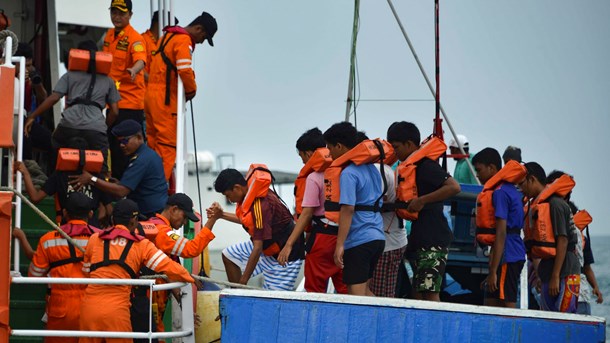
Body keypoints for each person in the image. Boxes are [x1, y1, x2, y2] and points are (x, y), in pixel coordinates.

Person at [79, 199, 194, 343]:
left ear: (113, 219)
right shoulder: (141, 245)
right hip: (117, 310)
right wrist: (189, 278)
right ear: (134, 221)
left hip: (89, 308)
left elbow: (86, 272)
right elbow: (167, 266)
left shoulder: (95, 239)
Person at [387, 121, 460, 301]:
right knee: (418, 291)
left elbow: (454, 187)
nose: (394, 152)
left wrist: (421, 201)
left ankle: (434, 327)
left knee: (430, 290)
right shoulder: (408, 167)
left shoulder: (426, 166)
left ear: (410, 144)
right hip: (419, 238)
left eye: (396, 147)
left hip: (433, 238)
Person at [24, 40, 120, 174]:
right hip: (96, 128)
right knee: (102, 167)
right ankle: (100, 189)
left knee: (55, 149)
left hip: (69, 125)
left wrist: (32, 116)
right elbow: (115, 112)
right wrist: (102, 126)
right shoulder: (108, 80)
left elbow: (53, 98)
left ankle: (53, 185)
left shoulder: (70, 75)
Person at [132, 193, 217, 337]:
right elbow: (191, 249)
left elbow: (167, 272)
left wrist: (184, 305)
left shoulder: (153, 226)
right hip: (149, 297)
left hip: (149, 297)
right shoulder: (162, 232)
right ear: (174, 209)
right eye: (184, 217)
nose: (184, 222)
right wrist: (212, 221)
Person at [145, 11, 217, 180]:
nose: (201, 42)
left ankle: (148, 184)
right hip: (165, 101)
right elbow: (184, 70)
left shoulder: (166, 37)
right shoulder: (184, 40)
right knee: (167, 147)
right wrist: (192, 90)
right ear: (199, 29)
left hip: (150, 97)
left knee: (152, 145)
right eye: (204, 37)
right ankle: (157, 188)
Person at [277, 128, 348, 294]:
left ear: (309, 154)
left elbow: (307, 213)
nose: (303, 162)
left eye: (302, 156)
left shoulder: (314, 177)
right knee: (345, 289)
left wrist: (289, 244)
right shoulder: (345, 172)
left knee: (314, 290)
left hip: (323, 238)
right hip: (345, 236)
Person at [211, 168, 304, 290]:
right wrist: (221, 215)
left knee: (271, 300)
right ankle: (238, 297)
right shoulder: (249, 194)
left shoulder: (260, 205)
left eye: (228, 195)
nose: (230, 200)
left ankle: (238, 293)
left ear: (237, 188)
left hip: (284, 256)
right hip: (267, 248)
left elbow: (257, 246)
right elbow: (248, 221)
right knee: (229, 255)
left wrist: (242, 282)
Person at [321, 122, 385, 296]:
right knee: (364, 291)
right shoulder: (372, 169)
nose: (329, 153)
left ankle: (370, 323)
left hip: (359, 240)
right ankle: (379, 321)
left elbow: (348, 209)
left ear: (339, 146)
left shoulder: (349, 173)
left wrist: (340, 245)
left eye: (330, 148)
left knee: (356, 298)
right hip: (377, 237)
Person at [28, 192, 101, 343]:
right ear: (91, 213)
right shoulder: (102, 239)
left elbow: (34, 275)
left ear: (65, 213)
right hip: (93, 306)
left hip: (59, 309)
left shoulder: (48, 239)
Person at [69, 120, 168, 218]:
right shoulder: (147, 154)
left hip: (150, 215)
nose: (121, 145)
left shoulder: (141, 160)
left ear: (138, 137)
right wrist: (120, 183)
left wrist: (91, 179)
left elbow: (121, 192)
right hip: (153, 210)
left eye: (125, 141)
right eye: (120, 142)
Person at [520, 162, 580, 313]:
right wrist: (542, 276)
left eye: (522, 184)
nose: (521, 189)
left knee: (564, 318)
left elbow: (563, 240)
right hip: (547, 269)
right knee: (548, 316)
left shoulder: (556, 204)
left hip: (565, 271)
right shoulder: (535, 207)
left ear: (532, 179)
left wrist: (555, 276)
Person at [15, 136, 112, 226]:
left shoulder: (59, 175)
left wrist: (26, 173)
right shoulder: (97, 178)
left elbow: (35, 198)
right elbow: (109, 209)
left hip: (67, 230)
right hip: (92, 230)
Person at [472, 147, 526, 308]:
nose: (477, 174)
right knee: (490, 303)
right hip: (506, 254)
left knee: (507, 303)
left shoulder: (500, 193)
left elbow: (501, 233)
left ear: (492, 168)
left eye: (479, 170)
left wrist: (493, 272)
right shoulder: (507, 189)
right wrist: (491, 273)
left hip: (508, 255)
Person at [546, 170, 603, 315]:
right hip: (578, 289)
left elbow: (585, 266)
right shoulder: (579, 232)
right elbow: (587, 266)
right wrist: (595, 287)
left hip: (571, 288)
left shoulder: (563, 227)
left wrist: (554, 276)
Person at [104, 0, 147, 180]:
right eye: (114, 12)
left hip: (130, 104)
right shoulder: (109, 35)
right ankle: (115, 182)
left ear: (130, 15)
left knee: (126, 148)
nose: (117, 17)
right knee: (114, 146)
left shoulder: (135, 38)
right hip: (112, 102)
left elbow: (141, 60)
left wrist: (134, 70)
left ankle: (125, 188)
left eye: (122, 13)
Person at [369, 161, 407, 298]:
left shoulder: (378, 171)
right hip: (398, 240)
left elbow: (377, 202)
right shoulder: (390, 171)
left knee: (376, 294)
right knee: (388, 293)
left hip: (386, 243)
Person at [141, 11, 179, 82]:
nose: (170, 33)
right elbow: (139, 71)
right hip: (144, 91)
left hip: (156, 91)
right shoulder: (142, 41)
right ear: (159, 25)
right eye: (169, 30)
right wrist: (157, 83)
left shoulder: (161, 44)